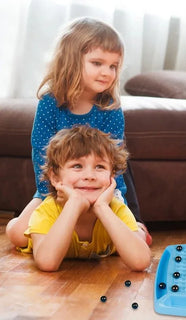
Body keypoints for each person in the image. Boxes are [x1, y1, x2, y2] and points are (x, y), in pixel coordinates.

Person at [6, 17, 152, 248]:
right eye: (97, 63)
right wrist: (53, 195)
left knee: (136, 238)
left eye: (113, 66)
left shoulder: (110, 108)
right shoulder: (49, 104)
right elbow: (41, 154)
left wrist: (117, 199)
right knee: (16, 234)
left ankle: (133, 226)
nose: (107, 72)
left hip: (100, 190)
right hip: (58, 189)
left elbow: (115, 161)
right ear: (71, 61)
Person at [19, 125, 151, 272]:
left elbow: (141, 262)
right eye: (77, 166)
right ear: (55, 178)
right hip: (37, 233)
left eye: (100, 167)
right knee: (17, 234)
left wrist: (101, 207)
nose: (90, 176)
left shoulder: (115, 209)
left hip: (116, 225)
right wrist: (74, 204)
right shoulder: (47, 211)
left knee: (137, 236)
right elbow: (47, 263)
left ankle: (139, 230)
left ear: (112, 176)